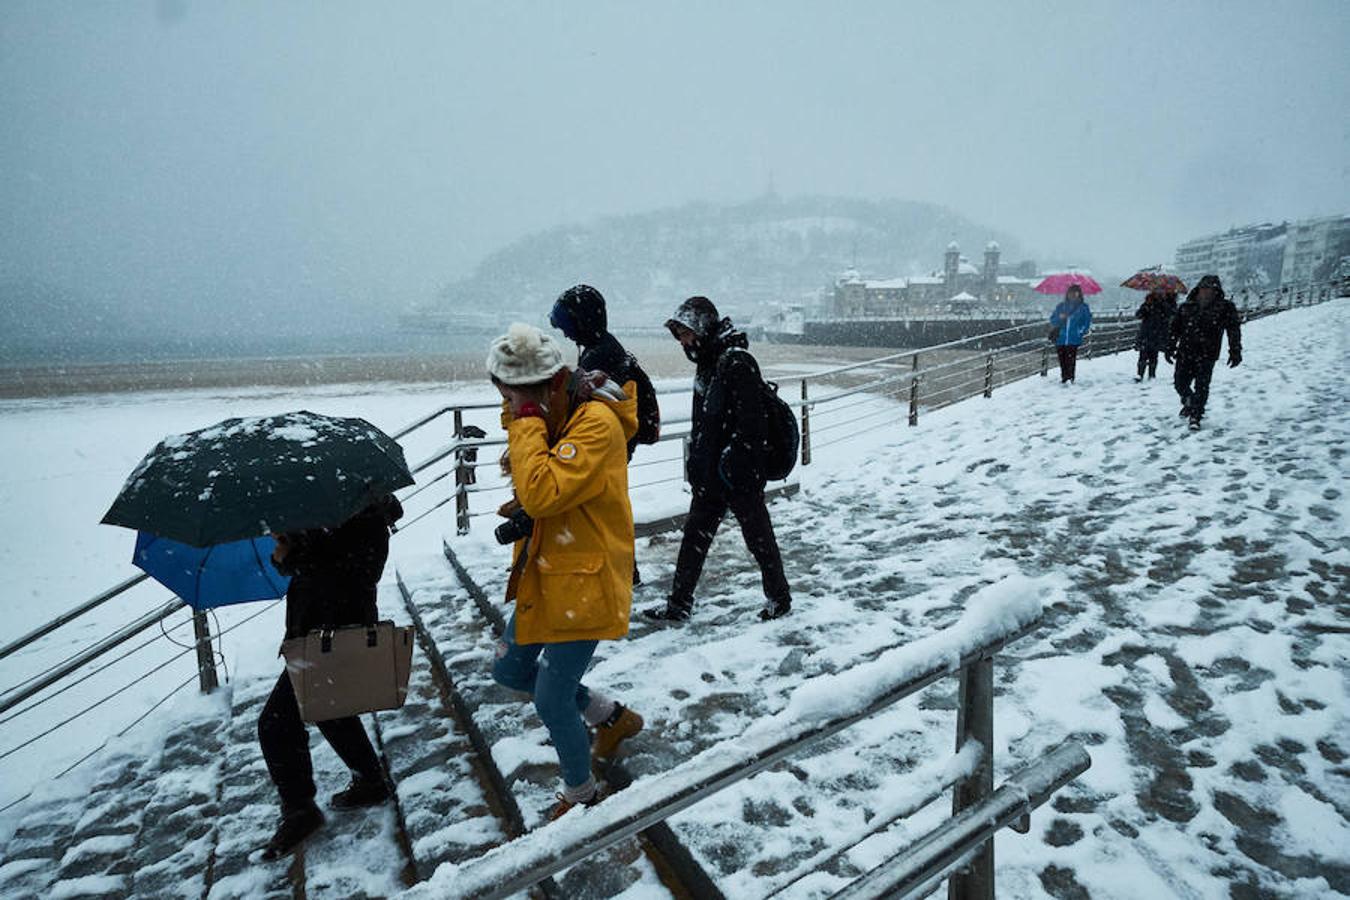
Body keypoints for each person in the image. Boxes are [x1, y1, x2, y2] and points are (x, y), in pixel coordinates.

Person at [486, 322, 645, 820]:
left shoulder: (595, 421)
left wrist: (527, 419)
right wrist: (526, 415)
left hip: (585, 578)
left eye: (515, 395)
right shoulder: (554, 407)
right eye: (506, 394)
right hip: (548, 572)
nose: (509, 406)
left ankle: (582, 794)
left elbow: (541, 491)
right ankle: (611, 717)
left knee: (552, 701)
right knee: (510, 668)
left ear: (552, 383)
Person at [258, 494, 404, 861]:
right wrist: (289, 547)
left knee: (276, 723)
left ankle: (300, 809)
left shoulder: (367, 515)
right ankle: (369, 781)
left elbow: (353, 573)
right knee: (328, 708)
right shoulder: (327, 509)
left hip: (336, 631)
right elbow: (320, 561)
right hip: (316, 630)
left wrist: (295, 555)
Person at [645, 296, 792, 624]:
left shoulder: (737, 362)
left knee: (758, 539)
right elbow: (707, 424)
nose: (682, 341)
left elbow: (750, 425)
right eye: (679, 334)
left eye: (685, 333)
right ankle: (679, 604)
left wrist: (732, 466)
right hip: (712, 475)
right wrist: (699, 465)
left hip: (736, 475)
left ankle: (779, 598)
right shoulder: (709, 361)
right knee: (694, 539)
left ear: (701, 328)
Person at [549, 284, 661, 584]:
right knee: (608, 512)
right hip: (615, 444)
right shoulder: (604, 347)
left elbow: (577, 404)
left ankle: (621, 573)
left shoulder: (600, 355)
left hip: (606, 447)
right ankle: (626, 572)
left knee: (604, 514)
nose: (566, 334)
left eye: (569, 326)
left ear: (582, 322)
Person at [1166, 274, 1242, 430]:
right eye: (1203, 288)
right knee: (1180, 383)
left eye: (1210, 289)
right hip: (1185, 351)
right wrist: (1170, 346)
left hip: (1208, 353)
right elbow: (1175, 329)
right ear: (1198, 289)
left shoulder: (1225, 307)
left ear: (1216, 291)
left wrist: (1235, 351)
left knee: (1202, 385)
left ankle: (1196, 415)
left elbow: (1233, 330)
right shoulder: (1186, 306)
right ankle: (1189, 401)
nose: (1206, 292)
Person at [1048, 284, 1093, 384]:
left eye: (1075, 292)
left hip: (1073, 337)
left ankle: (1070, 377)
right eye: (1071, 292)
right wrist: (1060, 317)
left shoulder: (1083, 307)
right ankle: (1064, 377)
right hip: (1061, 337)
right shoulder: (1061, 306)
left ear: (1079, 294)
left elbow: (1086, 321)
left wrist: (1080, 331)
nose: (1073, 295)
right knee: (1062, 359)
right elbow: (1053, 320)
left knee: (1071, 358)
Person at [1133, 289, 1177, 381]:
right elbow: (1138, 315)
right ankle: (1140, 374)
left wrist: (1163, 304)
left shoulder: (1168, 302)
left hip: (1158, 333)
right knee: (1143, 355)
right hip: (1146, 332)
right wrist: (1147, 306)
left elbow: (1172, 314)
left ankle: (1151, 374)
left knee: (1153, 355)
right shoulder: (1148, 302)